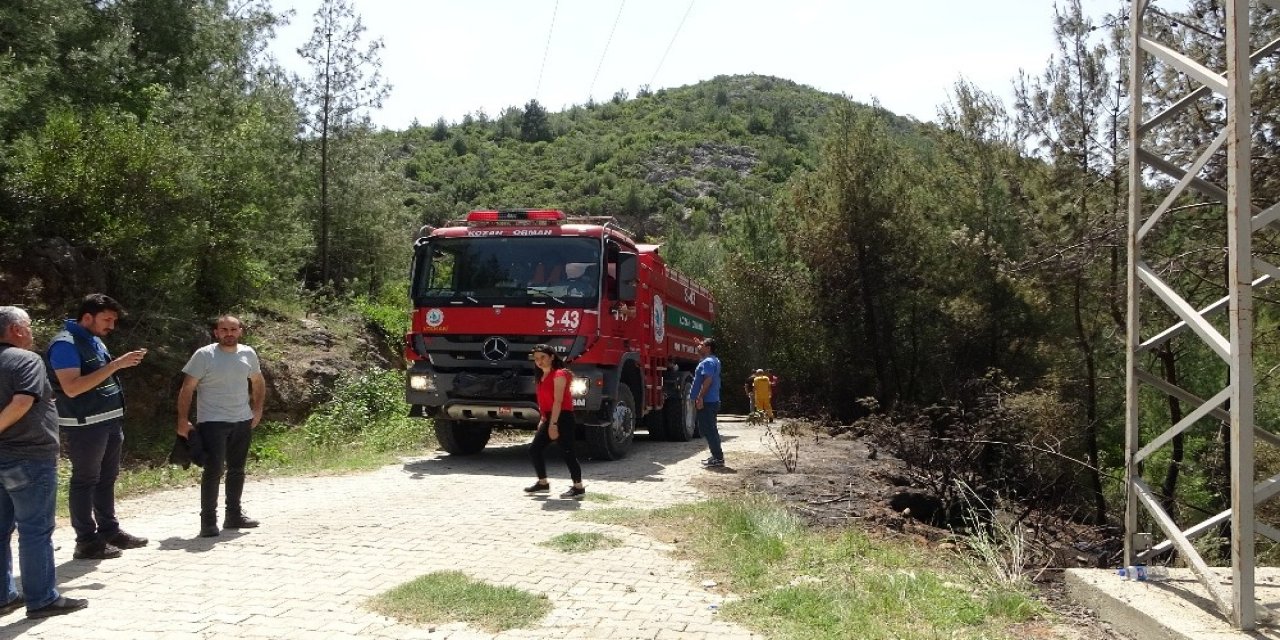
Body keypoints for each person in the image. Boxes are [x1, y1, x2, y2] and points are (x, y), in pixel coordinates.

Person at [0, 307, 89, 618]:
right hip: (27, 458)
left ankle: (3, 597)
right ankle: (42, 600)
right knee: (35, 530)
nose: (32, 331)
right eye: (28, 326)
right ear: (16, 331)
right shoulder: (26, 359)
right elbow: (23, 401)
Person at [46, 294, 148, 560]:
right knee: (85, 480)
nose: (111, 326)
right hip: (85, 425)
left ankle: (109, 531)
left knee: (106, 478)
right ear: (87, 317)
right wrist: (116, 365)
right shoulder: (64, 344)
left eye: (114, 320)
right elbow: (72, 387)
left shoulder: (94, 340)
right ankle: (86, 541)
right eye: (107, 319)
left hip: (108, 420)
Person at [176, 315, 266, 538]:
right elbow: (187, 389)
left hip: (242, 420)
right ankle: (208, 522)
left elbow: (257, 381)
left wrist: (257, 409)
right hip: (212, 422)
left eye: (233, 329)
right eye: (224, 329)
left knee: (237, 470)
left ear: (240, 331)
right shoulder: (204, 355)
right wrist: (182, 419)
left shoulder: (248, 353)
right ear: (216, 332)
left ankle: (233, 515)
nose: (229, 333)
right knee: (214, 470)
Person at [523, 344, 586, 498]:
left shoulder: (559, 374)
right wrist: (543, 419)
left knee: (568, 451)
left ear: (551, 357)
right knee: (534, 449)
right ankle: (543, 483)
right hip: (550, 417)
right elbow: (543, 401)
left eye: (543, 357)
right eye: (536, 358)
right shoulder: (540, 376)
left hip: (562, 417)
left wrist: (553, 424)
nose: (539, 361)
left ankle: (578, 487)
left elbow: (557, 401)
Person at [691, 338, 724, 467]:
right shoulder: (712, 360)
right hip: (711, 401)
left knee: (709, 430)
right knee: (710, 429)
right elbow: (701, 355)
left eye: (702, 345)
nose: (699, 346)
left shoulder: (709, 362)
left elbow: (708, 380)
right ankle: (716, 456)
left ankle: (718, 458)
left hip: (708, 401)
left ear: (709, 348)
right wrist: (700, 346)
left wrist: (700, 397)